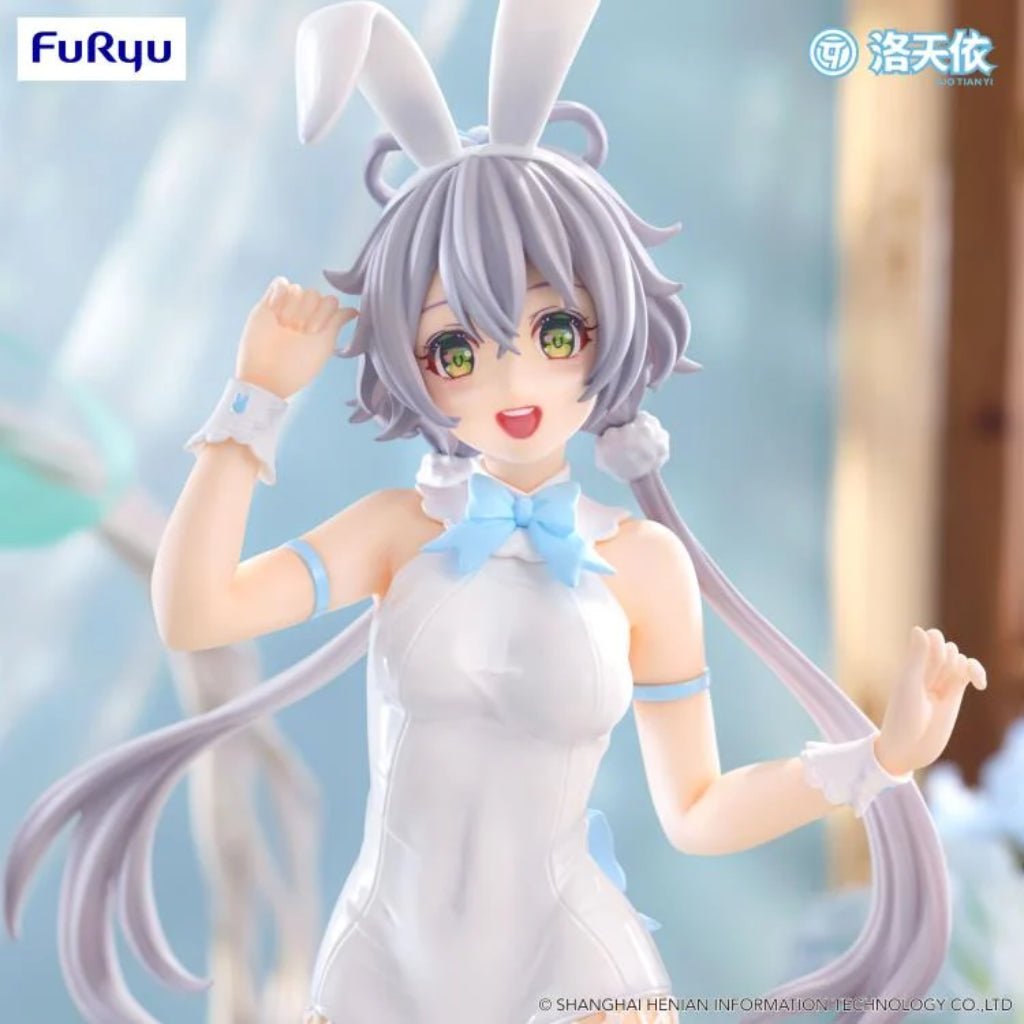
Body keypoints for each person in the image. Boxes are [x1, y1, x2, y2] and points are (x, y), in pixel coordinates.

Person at [3, 3, 987, 1023]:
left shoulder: (645, 564)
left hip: (577, 971)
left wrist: (878, 759)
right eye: (457, 349)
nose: (513, 379)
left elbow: (696, 810)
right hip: (383, 964)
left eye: (556, 331)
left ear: (610, 324)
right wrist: (255, 397)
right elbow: (194, 612)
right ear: (412, 358)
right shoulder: (397, 531)